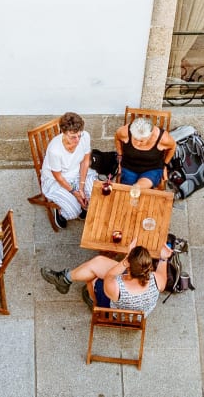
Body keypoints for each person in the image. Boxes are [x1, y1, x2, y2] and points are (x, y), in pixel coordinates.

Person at [41, 240, 170, 316]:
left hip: (115, 314)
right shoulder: (158, 280)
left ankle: (91, 299)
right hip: (139, 315)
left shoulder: (116, 287)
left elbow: (109, 275)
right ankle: (65, 279)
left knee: (93, 278)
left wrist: (126, 258)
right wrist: (163, 257)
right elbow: (162, 268)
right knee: (98, 262)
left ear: (129, 267)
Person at [40, 112, 96, 229]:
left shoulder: (85, 137)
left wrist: (81, 187)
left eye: (79, 135)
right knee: (73, 212)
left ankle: (79, 203)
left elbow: (85, 161)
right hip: (57, 180)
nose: (77, 140)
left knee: (94, 198)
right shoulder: (55, 151)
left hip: (77, 172)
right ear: (63, 133)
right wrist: (74, 193)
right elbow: (58, 177)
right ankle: (60, 211)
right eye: (73, 136)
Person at [114, 117, 176, 189]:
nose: (137, 142)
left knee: (137, 188)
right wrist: (120, 155)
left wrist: (165, 164)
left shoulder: (163, 138)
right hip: (129, 167)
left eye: (141, 141)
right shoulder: (124, 131)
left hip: (151, 169)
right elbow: (117, 137)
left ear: (151, 134)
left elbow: (173, 147)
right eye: (135, 138)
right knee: (126, 191)